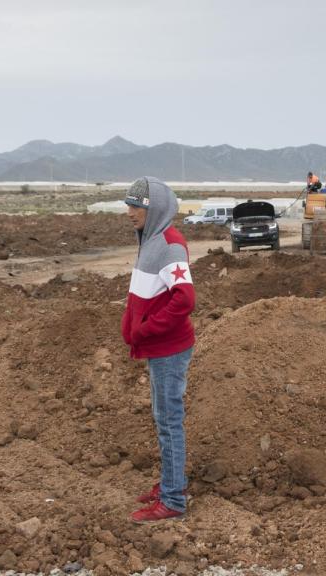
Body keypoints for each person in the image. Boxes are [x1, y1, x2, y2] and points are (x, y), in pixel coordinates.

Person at [121, 177, 196, 523]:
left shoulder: (169, 245)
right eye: (128, 205)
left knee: (169, 421)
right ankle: (170, 482)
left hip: (168, 349)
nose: (130, 212)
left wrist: (145, 329)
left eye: (136, 206)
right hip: (157, 349)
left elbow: (185, 299)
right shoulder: (150, 241)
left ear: (155, 210)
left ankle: (173, 500)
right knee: (163, 418)